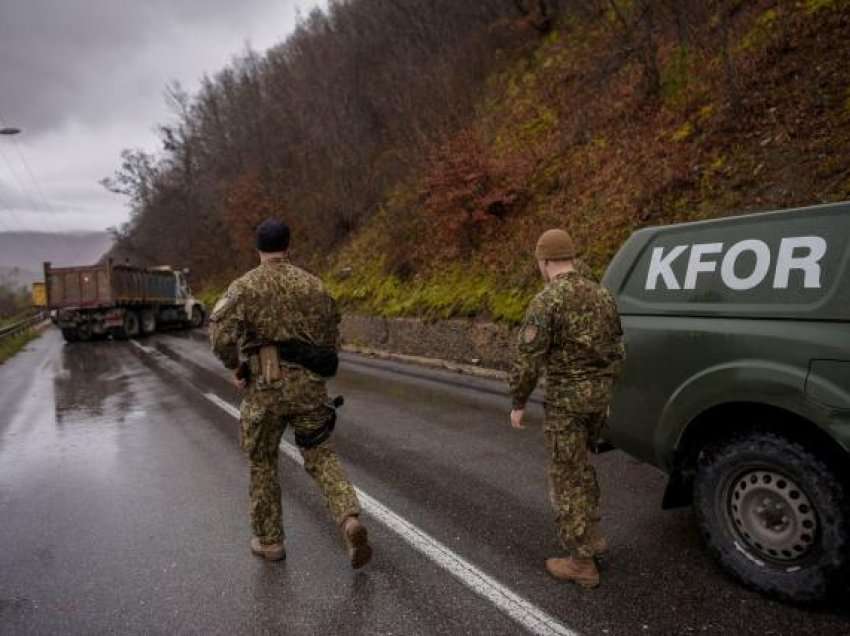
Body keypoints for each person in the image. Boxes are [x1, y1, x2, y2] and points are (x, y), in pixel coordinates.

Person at [209, 218, 372, 568]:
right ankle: (349, 518)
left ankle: (270, 542)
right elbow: (331, 335)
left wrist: (235, 365)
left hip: (264, 389)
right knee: (321, 455)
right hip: (309, 387)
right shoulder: (314, 286)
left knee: (263, 461)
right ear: (289, 246)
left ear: (258, 249)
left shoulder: (244, 287)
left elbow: (220, 336)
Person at [508, 228, 625, 588]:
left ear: (544, 262)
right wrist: (603, 386)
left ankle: (581, 562)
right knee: (582, 469)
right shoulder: (602, 295)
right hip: (599, 400)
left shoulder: (547, 302)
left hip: (566, 405)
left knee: (567, 476)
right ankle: (591, 537)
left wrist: (518, 401)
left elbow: (528, 360)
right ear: (572, 258)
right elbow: (618, 348)